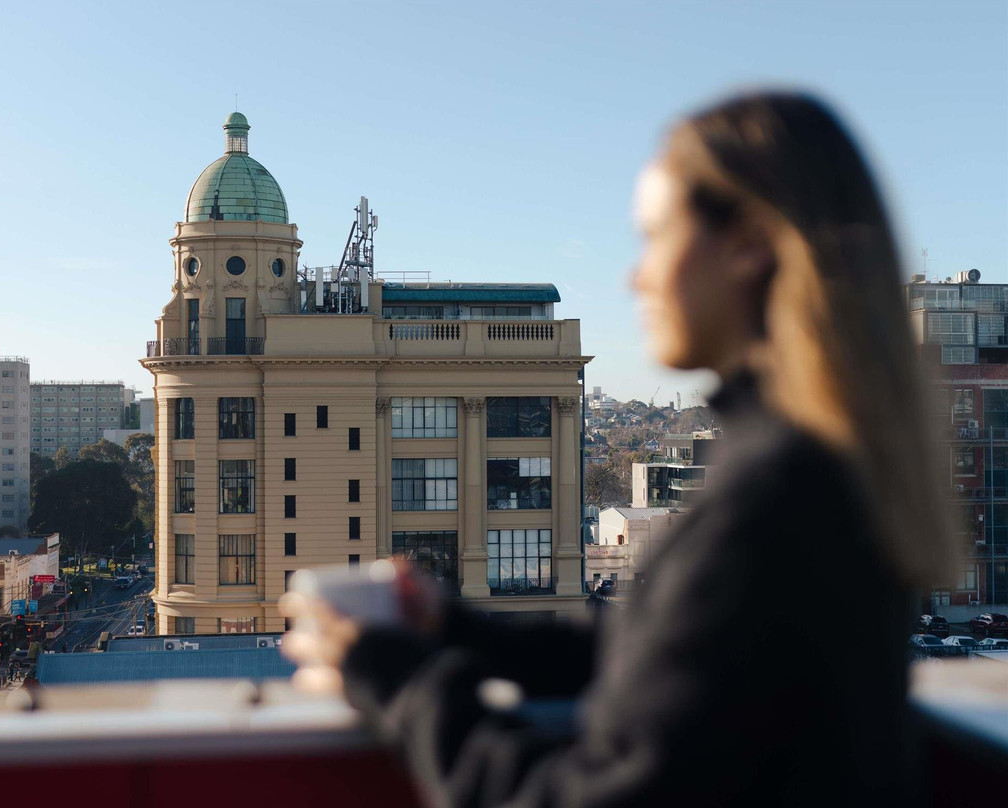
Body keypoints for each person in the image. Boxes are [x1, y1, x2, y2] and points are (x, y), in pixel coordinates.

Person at [282, 91, 954, 806]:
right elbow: (671, 660)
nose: (635, 276)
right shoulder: (818, 468)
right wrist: (452, 626)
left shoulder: (771, 502)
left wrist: (404, 684)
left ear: (751, 244)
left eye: (657, 237)